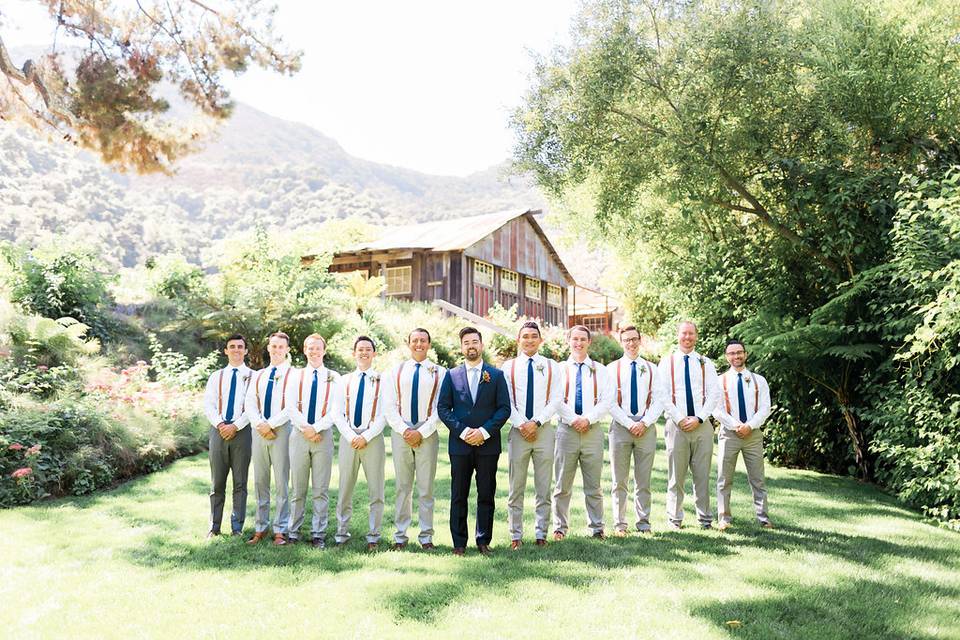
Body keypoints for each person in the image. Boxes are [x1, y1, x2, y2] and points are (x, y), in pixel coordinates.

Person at [437, 327, 511, 556]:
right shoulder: (451, 375)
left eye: (475, 341)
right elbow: (443, 408)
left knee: (486, 493)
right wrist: (463, 431)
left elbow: (504, 409)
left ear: (481, 345)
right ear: (461, 347)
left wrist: (484, 432)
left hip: (488, 445)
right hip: (460, 445)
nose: (471, 346)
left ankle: (483, 540)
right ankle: (459, 543)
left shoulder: (496, 376)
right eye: (466, 342)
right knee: (459, 493)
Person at [382, 328, 446, 550]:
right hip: (401, 434)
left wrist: (423, 431)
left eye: (423, 341)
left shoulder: (440, 372)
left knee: (426, 488)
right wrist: (405, 430)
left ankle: (426, 536)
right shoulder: (395, 371)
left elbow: (441, 407)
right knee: (403, 487)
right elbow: (389, 406)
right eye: (415, 340)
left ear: (429, 344)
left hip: (427, 434)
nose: (419, 344)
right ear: (408, 344)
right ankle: (400, 536)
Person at [501, 321, 561, 549]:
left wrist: (536, 422)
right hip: (518, 431)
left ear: (540, 340)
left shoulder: (551, 366)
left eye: (534, 336)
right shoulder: (508, 367)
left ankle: (541, 533)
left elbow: (556, 398)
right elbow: (505, 400)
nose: (529, 340)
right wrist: (522, 424)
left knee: (543, 486)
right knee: (516, 486)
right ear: (518, 340)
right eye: (525, 336)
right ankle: (515, 535)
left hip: (543, 430)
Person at [658, 321, 721, 529]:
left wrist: (700, 418)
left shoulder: (705, 362)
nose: (688, 337)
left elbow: (714, 394)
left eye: (691, 334)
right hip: (677, 425)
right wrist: (680, 418)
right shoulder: (667, 362)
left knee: (702, 475)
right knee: (676, 476)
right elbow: (663, 394)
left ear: (696, 336)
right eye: (684, 333)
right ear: (678, 336)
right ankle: (675, 519)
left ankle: (704, 519)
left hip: (702, 425)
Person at [553, 325, 612, 540]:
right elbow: (555, 399)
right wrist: (573, 419)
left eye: (582, 340)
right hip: (566, 431)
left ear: (589, 342)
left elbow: (607, 401)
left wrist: (588, 419)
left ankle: (597, 527)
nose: (578, 343)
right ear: (568, 341)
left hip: (592, 431)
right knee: (562, 483)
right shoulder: (558, 369)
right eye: (575, 339)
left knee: (594, 484)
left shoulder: (600, 370)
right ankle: (560, 527)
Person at [606, 325, 665, 535]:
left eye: (634, 339)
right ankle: (620, 524)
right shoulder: (611, 369)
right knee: (619, 480)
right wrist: (630, 424)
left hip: (646, 427)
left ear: (640, 341)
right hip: (621, 427)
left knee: (643, 480)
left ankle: (643, 523)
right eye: (627, 340)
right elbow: (609, 402)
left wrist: (645, 422)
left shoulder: (652, 369)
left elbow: (659, 400)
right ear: (621, 343)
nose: (631, 343)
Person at [285, 333, 343, 548]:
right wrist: (306, 429)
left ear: (324, 350)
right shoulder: (295, 376)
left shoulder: (334, 377)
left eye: (318, 348)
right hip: (299, 435)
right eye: (310, 347)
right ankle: (293, 531)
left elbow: (336, 409)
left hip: (323, 435)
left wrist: (317, 428)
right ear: (304, 350)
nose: (314, 351)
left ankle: (318, 533)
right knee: (297, 487)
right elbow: (290, 406)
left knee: (321, 488)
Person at [712, 339, 774, 530]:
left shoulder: (758, 380)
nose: (736, 356)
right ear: (726, 357)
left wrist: (750, 426)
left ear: (745, 354)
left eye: (739, 352)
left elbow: (765, 408)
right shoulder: (719, 381)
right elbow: (717, 409)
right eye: (731, 353)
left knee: (757, 479)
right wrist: (737, 425)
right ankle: (724, 518)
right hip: (729, 434)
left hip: (753, 435)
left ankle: (763, 518)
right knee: (724, 478)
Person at [334, 336, 387, 550]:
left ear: (374, 354)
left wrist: (366, 436)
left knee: (376, 489)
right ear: (354, 353)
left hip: (372, 438)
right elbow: (336, 413)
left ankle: (374, 535)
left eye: (368, 349)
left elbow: (385, 414)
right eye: (360, 349)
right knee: (345, 487)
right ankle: (341, 532)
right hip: (349, 438)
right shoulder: (343, 380)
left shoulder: (383, 380)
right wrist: (351, 435)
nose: (364, 352)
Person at [243, 332, 294, 545]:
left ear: (287, 350)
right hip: (259, 431)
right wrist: (260, 425)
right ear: (268, 347)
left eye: (281, 347)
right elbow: (250, 402)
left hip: (281, 430)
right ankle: (260, 527)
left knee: (281, 481)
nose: (276, 350)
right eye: (273, 346)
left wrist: (271, 425)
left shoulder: (294, 375)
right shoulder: (259, 375)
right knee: (260, 480)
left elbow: (292, 405)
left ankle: (280, 530)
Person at [202, 334, 253, 538]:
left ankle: (237, 527)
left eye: (240, 346)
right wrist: (221, 424)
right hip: (218, 431)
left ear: (246, 351)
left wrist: (236, 425)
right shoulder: (216, 376)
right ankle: (214, 527)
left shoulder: (253, 376)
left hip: (242, 432)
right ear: (225, 351)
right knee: (217, 482)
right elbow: (209, 404)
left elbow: (253, 406)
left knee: (240, 482)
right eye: (232, 347)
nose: (236, 350)